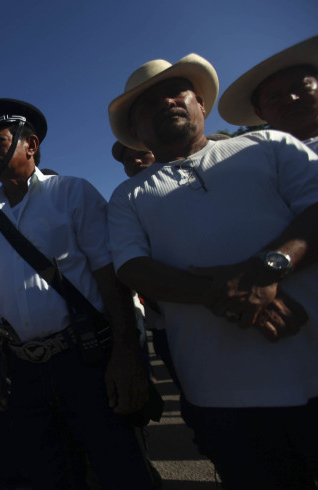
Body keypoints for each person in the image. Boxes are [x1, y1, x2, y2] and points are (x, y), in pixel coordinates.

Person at [107, 53, 318, 489]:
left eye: (176, 91)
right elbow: (132, 267)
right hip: (218, 394)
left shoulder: (269, 145)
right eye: (148, 104)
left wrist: (268, 269)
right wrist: (237, 287)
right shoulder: (127, 196)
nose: (166, 103)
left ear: (201, 102)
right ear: (136, 132)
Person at [0, 98, 155, 489]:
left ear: (31, 145)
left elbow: (110, 277)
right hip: (24, 369)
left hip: (86, 360)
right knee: (50, 473)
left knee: (120, 468)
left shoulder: (73, 193)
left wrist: (126, 355)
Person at [219, 35, 318, 153]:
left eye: (299, 87)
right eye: (274, 97)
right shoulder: (259, 165)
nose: (290, 99)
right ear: (260, 113)